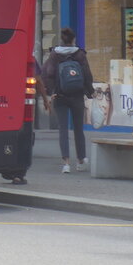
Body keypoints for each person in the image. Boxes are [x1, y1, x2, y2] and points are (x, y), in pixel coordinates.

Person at [42, 27, 95, 173]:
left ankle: (66, 163)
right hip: (77, 95)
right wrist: (90, 92)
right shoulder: (79, 54)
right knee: (78, 129)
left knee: (63, 129)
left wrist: (51, 91)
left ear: (61, 39)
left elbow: (48, 73)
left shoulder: (54, 54)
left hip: (60, 96)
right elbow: (86, 74)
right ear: (73, 40)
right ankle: (81, 160)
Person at [2, 55, 42, 185]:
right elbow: (37, 79)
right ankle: (18, 174)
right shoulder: (27, 57)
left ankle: (9, 168)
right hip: (21, 103)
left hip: (6, 101)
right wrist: (45, 99)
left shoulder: (6, 56)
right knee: (24, 136)